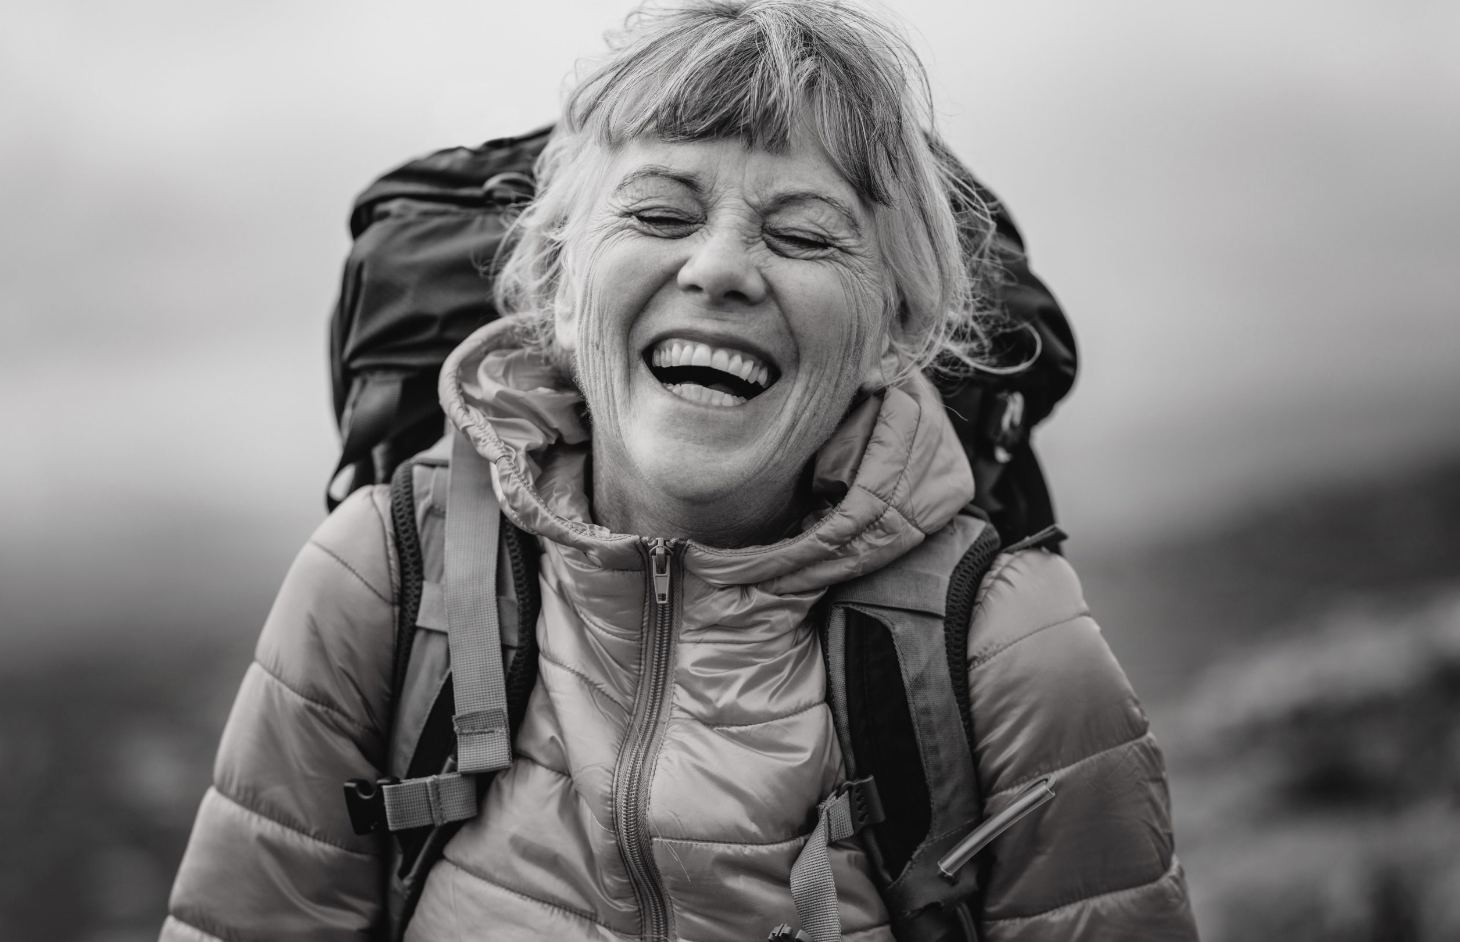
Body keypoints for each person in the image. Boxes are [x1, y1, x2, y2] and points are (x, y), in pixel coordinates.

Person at [162, 2, 1198, 940]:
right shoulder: (382, 580)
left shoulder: (1011, 650)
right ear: (557, 285)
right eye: (658, 216)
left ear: (896, 334)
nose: (717, 267)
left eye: (800, 234)